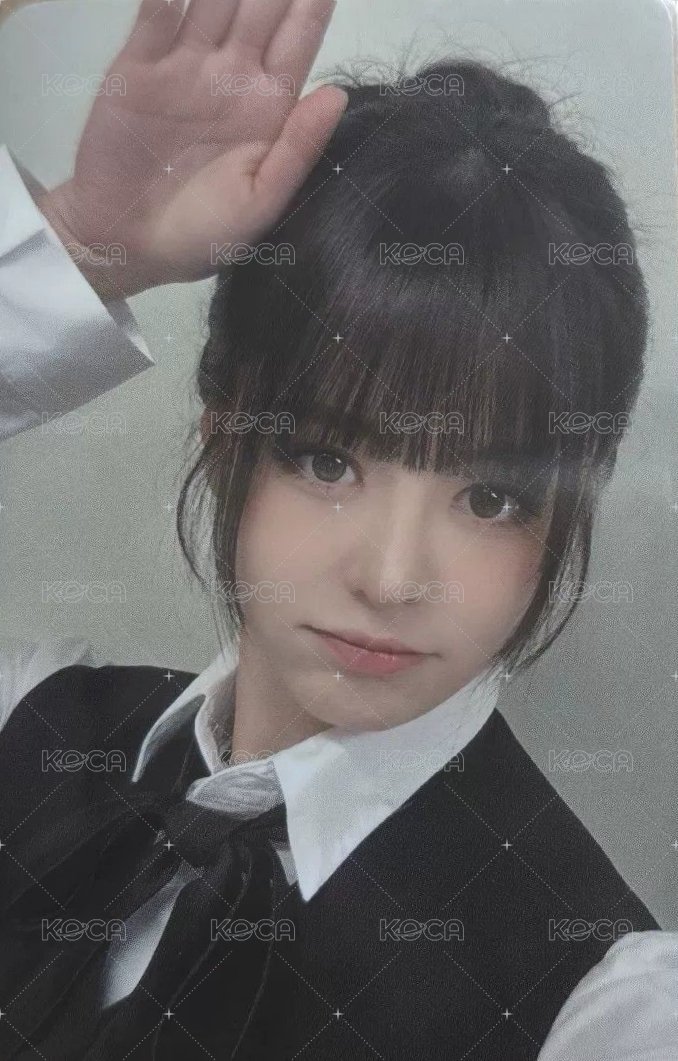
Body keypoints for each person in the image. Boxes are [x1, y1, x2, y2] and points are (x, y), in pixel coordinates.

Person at [0, 0, 675, 1058]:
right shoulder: (30, 721)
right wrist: (88, 245)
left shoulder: (603, 1007)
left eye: (490, 498)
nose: (394, 576)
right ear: (226, 428)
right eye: (327, 460)